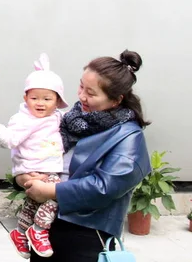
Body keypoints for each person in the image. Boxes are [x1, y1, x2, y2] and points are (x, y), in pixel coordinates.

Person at [14, 49, 152, 262]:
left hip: (86, 236)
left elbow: (104, 187)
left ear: (116, 100)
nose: (81, 96)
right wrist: (23, 177)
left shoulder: (128, 137)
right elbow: (35, 152)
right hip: (46, 228)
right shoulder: (69, 119)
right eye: (81, 86)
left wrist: (51, 190)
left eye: (91, 93)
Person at [0, 53, 69, 258]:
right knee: (56, 197)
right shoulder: (24, 120)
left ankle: (21, 232)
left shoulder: (57, 117)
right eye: (34, 98)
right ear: (25, 98)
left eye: (47, 99)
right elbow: (10, 139)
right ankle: (39, 230)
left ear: (58, 101)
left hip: (48, 167)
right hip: (33, 168)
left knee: (33, 202)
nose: (40, 103)